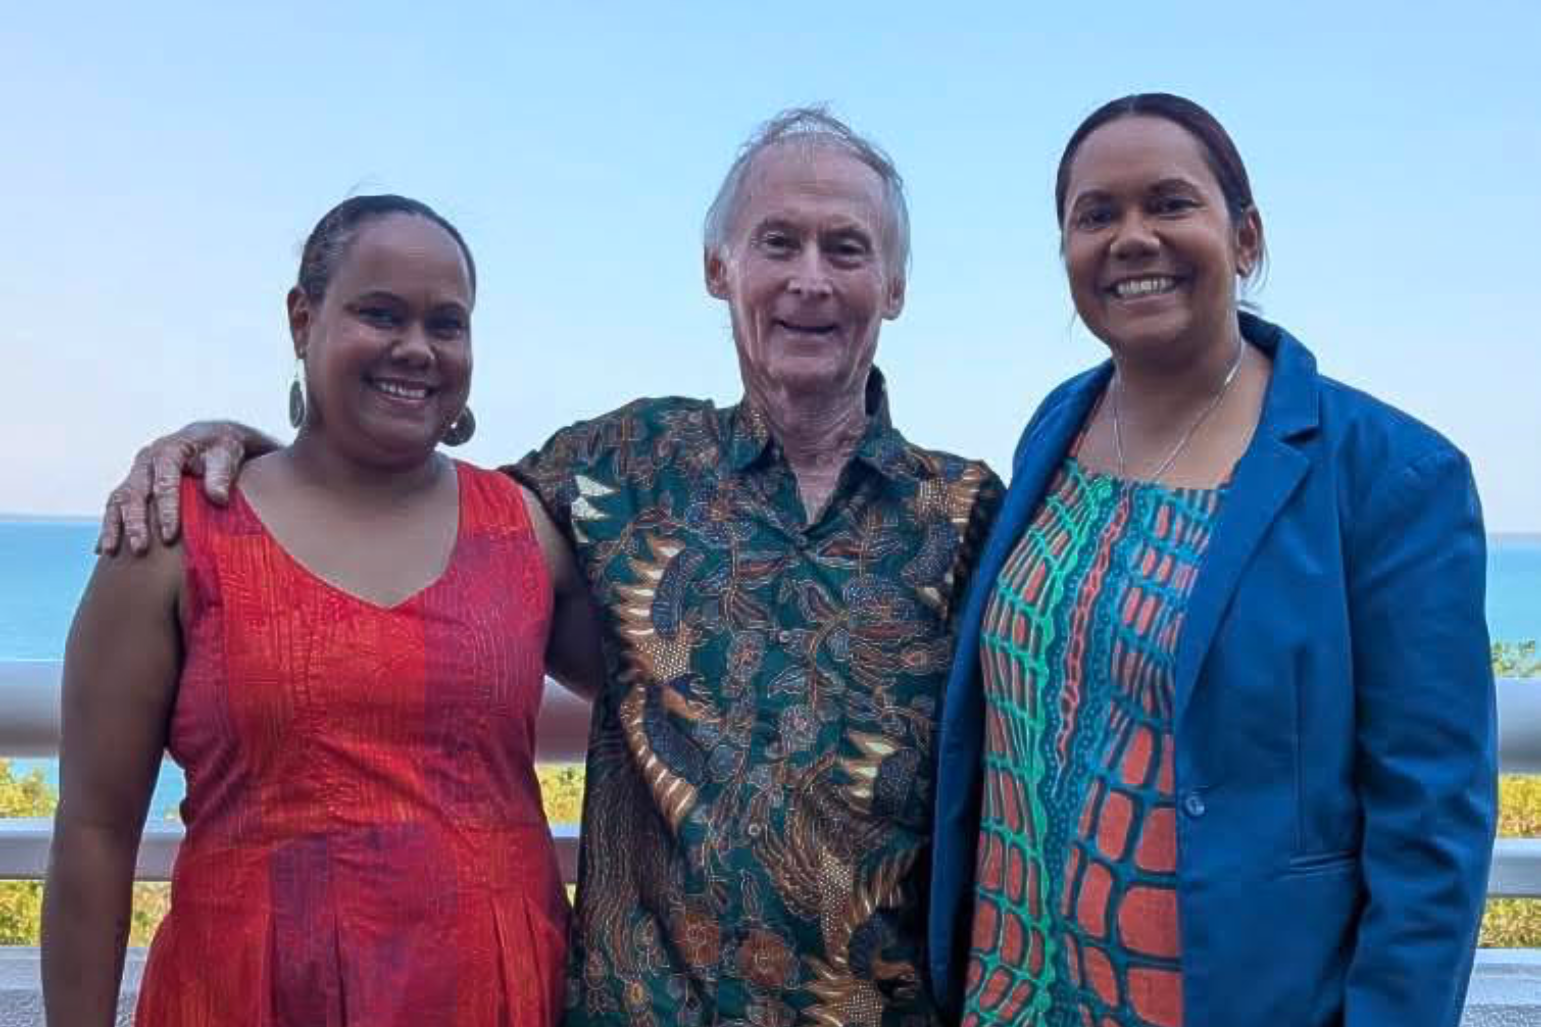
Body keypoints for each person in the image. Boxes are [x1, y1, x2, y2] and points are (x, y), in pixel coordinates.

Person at [94, 109, 1004, 1026]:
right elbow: (383, 487)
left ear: (892, 285)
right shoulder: (617, 470)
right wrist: (241, 454)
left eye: (846, 249)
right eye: (779, 242)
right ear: (719, 268)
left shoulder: (969, 515)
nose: (810, 278)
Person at [928, 93, 1497, 1027]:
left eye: (1169, 203)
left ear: (1244, 237)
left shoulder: (1390, 475)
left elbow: (1431, 829)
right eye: (1095, 214)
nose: (1131, 237)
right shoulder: (1053, 428)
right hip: (1008, 998)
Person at [44, 195, 602, 1026]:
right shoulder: (174, 536)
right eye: (380, 313)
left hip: (495, 995)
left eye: (446, 324)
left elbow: (675, 687)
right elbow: (93, 829)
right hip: (247, 995)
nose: (415, 348)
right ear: (302, 318)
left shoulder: (526, 531)